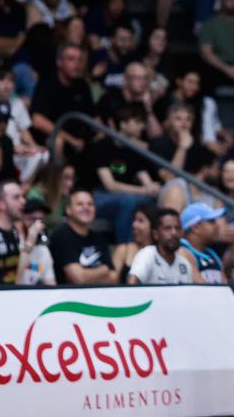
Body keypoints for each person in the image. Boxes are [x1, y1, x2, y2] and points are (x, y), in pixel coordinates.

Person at [86, 104, 161, 243]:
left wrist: (153, 188)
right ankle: (125, 247)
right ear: (123, 124)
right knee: (129, 200)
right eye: (137, 122)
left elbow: (145, 178)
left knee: (154, 200)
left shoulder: (134, 149)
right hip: (100, 196)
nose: (142, 126)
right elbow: (110, 185)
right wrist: (143, 190)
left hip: (129, 195)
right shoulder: (102, 146)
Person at [30, 43, 96, 156]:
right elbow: (37, 120)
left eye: (79, 60)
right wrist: (70, 139)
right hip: (54, 137)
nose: (77, 64)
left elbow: (92, 116)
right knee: (57, 142)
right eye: (71, 59)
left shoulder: (82, 85)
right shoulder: (47, 83)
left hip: (81, 139)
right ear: (59, 62)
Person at [49, 188, 118, 285]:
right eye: (80, 204)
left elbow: (114, 277)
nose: (86, 208)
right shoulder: (62, 236)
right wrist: (103, 270)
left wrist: (87, 275)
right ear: (68, 210)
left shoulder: (98, 238)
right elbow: (78, 278)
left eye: (90, 204)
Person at [128, 208, 202, 285]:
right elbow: (131, 285)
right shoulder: (147, 254)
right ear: (155, 234)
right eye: (167, 228)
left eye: (177, 228)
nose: (174, 233)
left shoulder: (184, 264)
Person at [179, 202, 226, 284]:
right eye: (211, 221)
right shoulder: (182, 251)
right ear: (195, 227)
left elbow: (225, 285)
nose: (217, 226)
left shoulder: (211, 253)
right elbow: (201, 288)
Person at [111, 202, 159, 283]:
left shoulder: (162, 251)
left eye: (140, 221)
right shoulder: (123, 250)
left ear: (153, 225)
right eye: (134, 220)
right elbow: (111, 281)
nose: (134, 225)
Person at [17, 198, 56, 286]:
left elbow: (50, 284)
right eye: (32, 219)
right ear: (22, 217)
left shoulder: (43, 250)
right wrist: (30, 241)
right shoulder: (14, 242)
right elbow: (15, 281)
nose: (37, 225)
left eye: (40, 220)